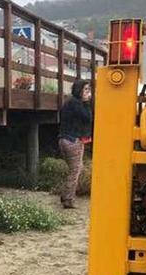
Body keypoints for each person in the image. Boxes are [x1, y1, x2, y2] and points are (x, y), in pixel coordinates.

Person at [57, 79, 92, 209]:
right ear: (80, 90)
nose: (89, 92)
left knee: (76, 169)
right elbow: (88, 118)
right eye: (86, 89)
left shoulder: (70, 102)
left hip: (64, 139)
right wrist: (87, 103)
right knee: (75, 170)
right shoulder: (76, 104)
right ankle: (68, 199)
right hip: (73, 140)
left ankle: (65, 194)